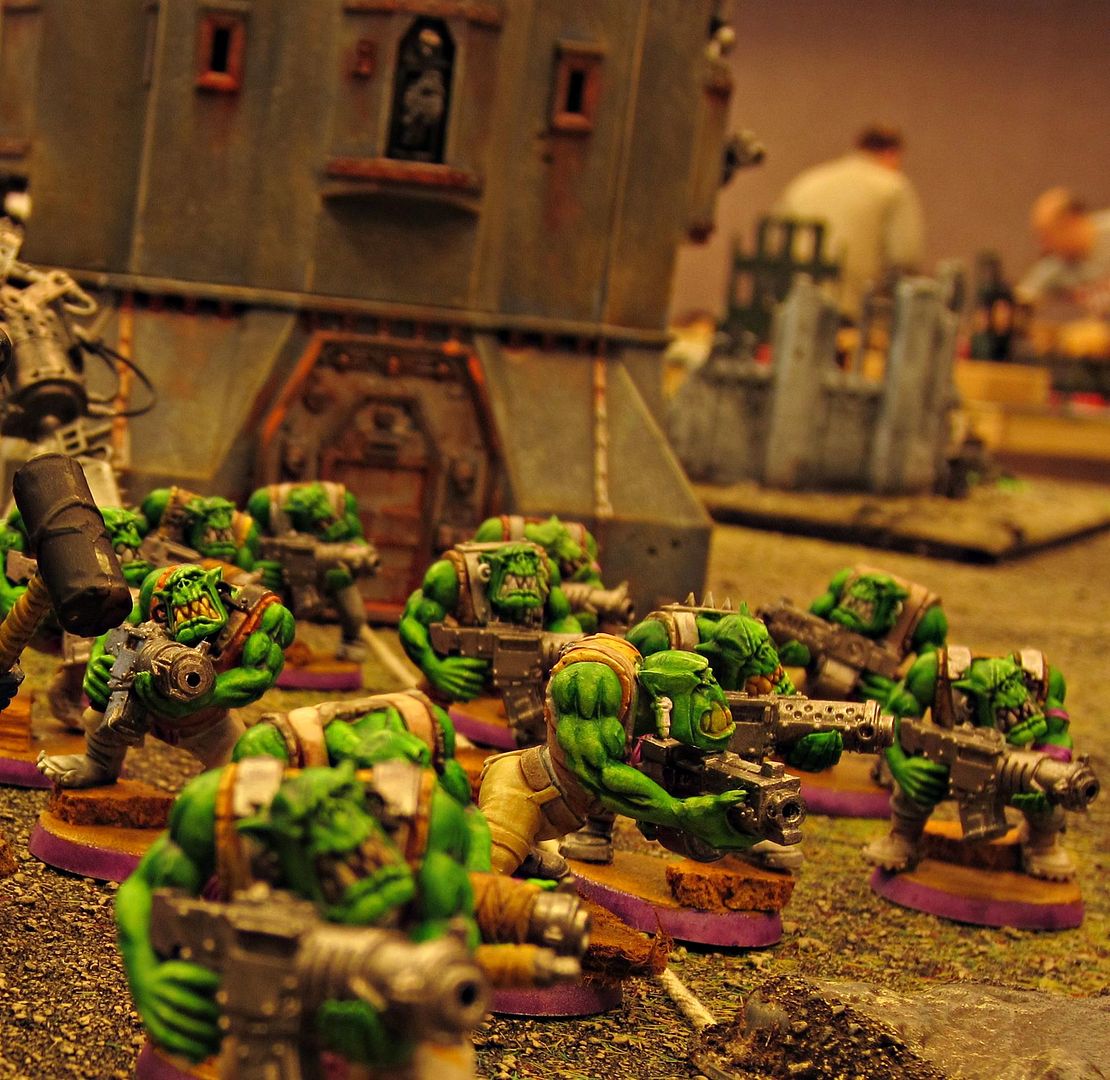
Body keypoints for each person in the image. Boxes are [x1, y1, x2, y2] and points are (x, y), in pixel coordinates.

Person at [775, 124, 925, 321]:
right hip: (848, 310)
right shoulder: (892, 187)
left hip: (792, 303)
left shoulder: (808, 181)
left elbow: (776, 240)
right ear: (891, 153)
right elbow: (905, 257)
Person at [1016, 188, 1110, 318]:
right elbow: (1023, 298)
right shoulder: (1055, 265)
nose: (1044, 246)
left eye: (1047, 236)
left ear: (1071, 222)